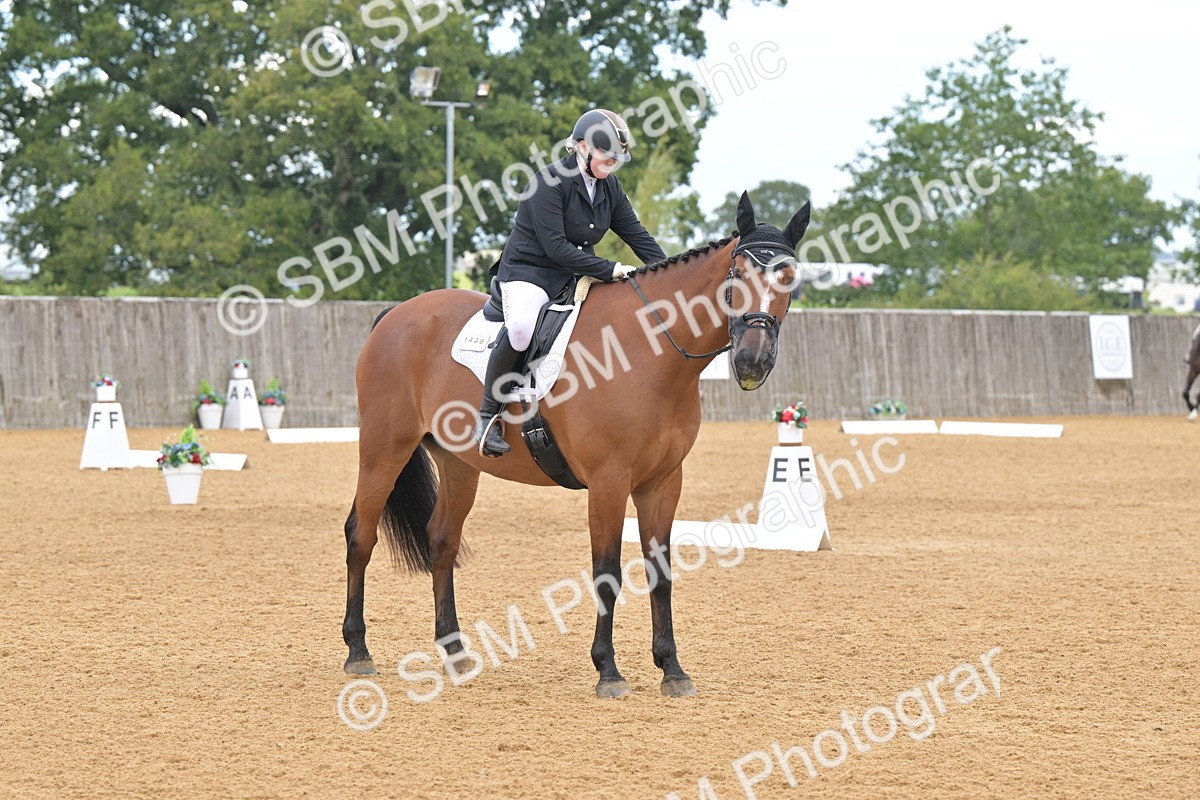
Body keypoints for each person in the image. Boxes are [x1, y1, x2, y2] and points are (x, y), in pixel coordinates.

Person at [475, 108, 667, 457]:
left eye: (616, 159)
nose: (612, 165)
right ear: (581, 146)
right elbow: (556, 247)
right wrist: (609, 269)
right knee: (520, 329)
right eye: (607, 157)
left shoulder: (609, 188)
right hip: (528, 272)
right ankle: (489, 415)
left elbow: (635, 234)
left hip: (570, 275)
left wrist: (668, 271)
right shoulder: (546, 182)